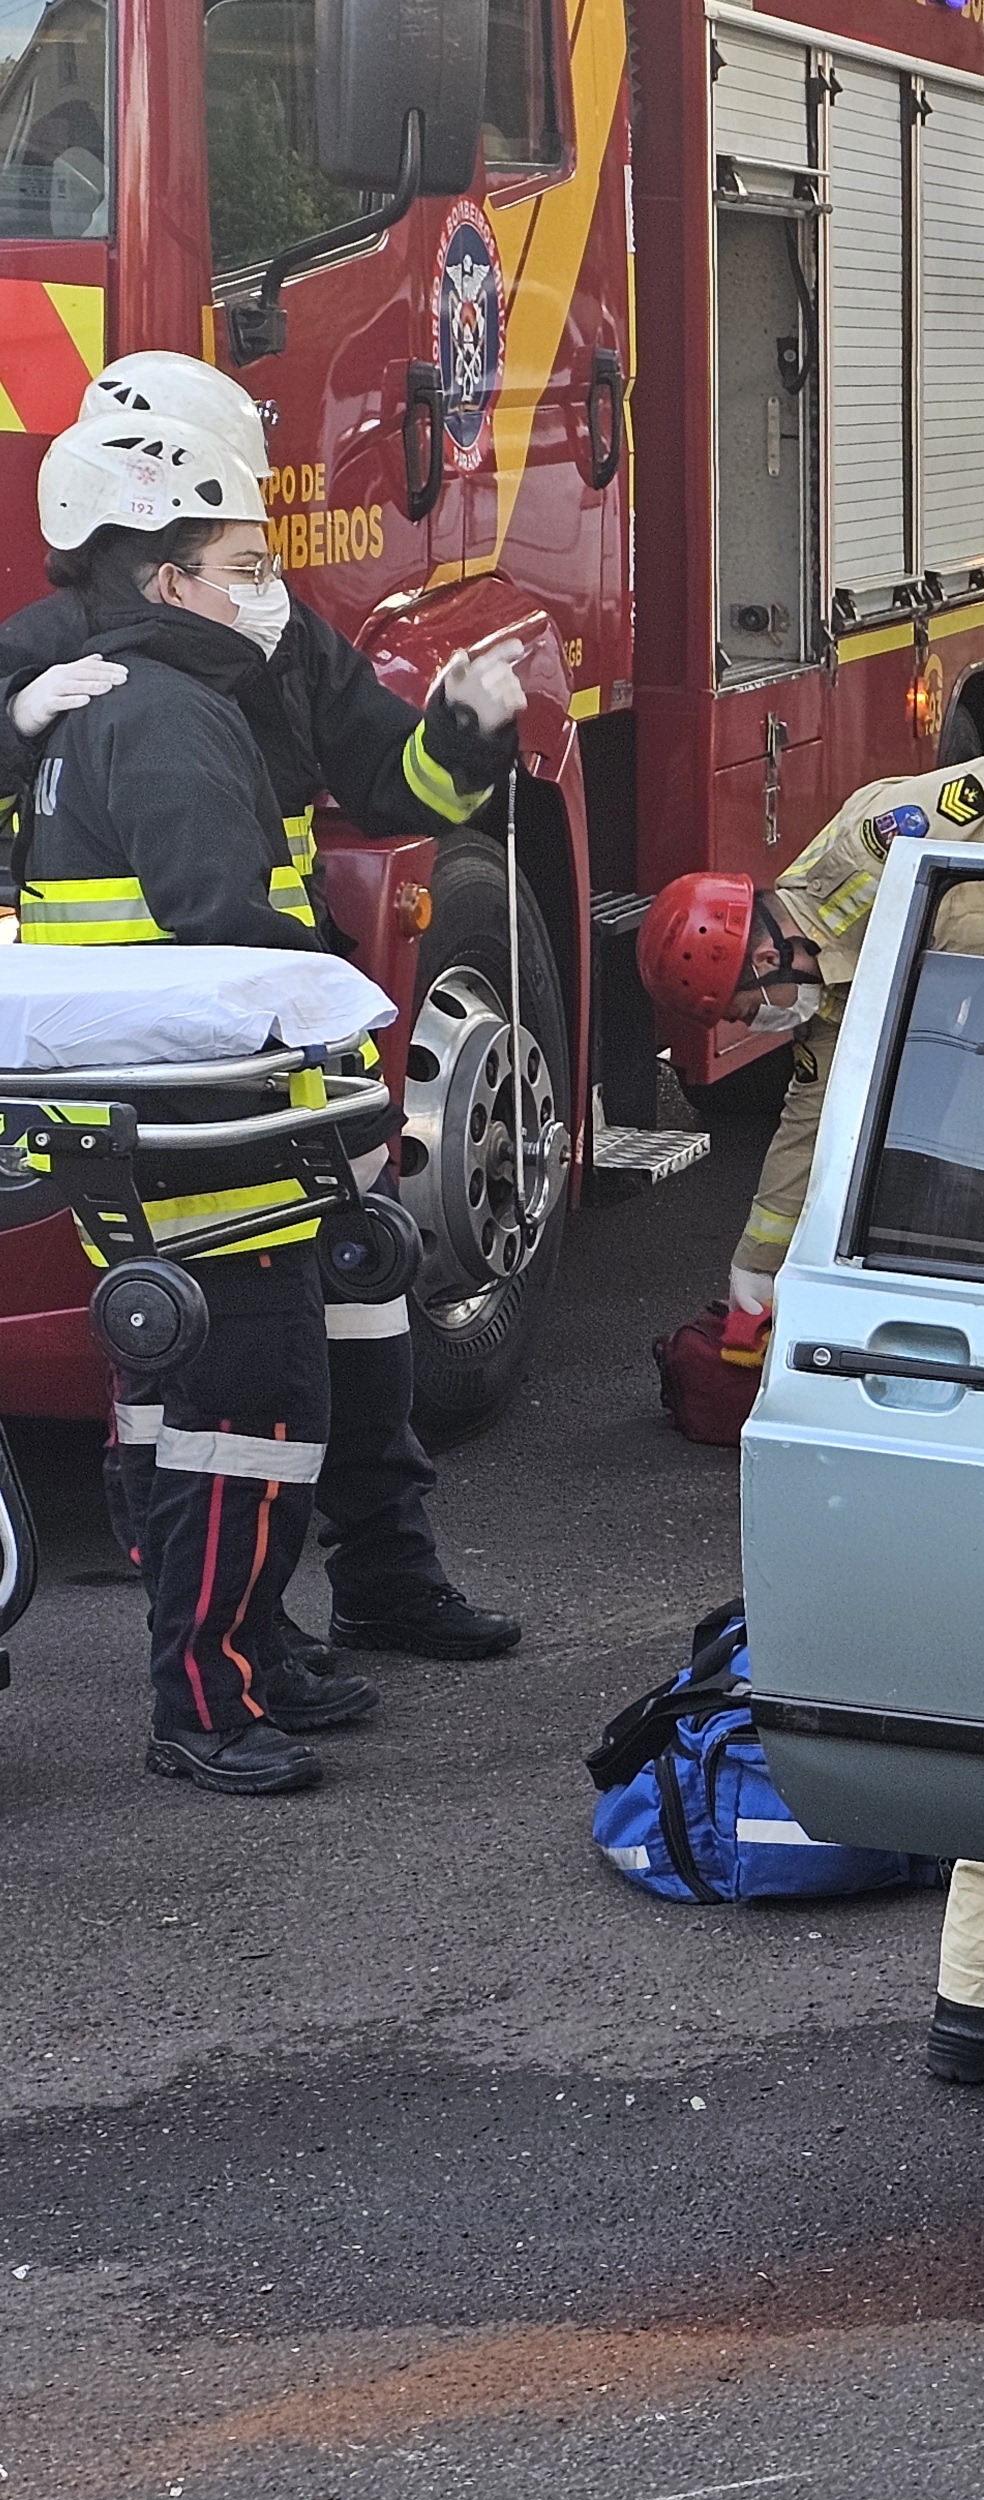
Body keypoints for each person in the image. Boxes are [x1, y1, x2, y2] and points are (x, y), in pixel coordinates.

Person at [639, 736, 984, 2091]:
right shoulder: (813, 985)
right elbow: (822, 1116)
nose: (771, 1013)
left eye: (763, 992)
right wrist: (758, 1281)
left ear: (766, 939)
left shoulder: (873, 838)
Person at [3, 355, 529, 1667]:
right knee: (208, 1360)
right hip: (165, 1076)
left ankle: (381, 1577)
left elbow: (397, 779)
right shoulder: (50, 659)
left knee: (355, 1315)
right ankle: (235, 1629)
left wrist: (464, 733)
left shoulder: (278, 638)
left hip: (285, 1047)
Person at [7, 421, 420, 1790]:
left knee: (185, 1414)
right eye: (245, 565)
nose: (271, 591)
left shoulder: (108, 703)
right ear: (173, 584)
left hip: (160, 1134)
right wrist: (340, 1003)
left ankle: (255, 1649)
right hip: (209, 1145)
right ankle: (205, 1700)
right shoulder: (176, 720)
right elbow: (222, 932)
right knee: (247, 1416)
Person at [636, 714, 984, 1324]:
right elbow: (808, 1121)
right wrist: (757, 1259)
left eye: (746, 1011)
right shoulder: (824, 987)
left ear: (766, 960)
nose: (756, 1026)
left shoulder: (876, 848)